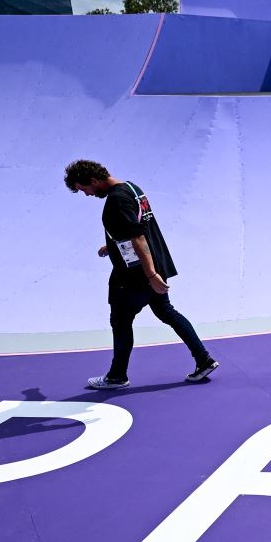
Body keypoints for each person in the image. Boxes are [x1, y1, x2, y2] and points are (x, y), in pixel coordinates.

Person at [63, 159, 218, 388]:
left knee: (121, 321)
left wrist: (151, 275)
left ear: (94, 181)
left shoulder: (116, 201)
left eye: (83, 188)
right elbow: (135, 227)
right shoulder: (132, 189)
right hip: (154, 263)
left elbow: (138, 238)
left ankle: (117, 376)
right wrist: (112, 245)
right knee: (167, 312)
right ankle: (204, 359)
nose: (85, 194)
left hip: (136, 275)